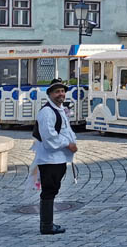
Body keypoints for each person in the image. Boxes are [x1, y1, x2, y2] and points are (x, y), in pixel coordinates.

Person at [31, 78, 77, 235]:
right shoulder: (47, 112)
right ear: (50, 94)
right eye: (57, 92)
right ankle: (46, 225)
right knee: (49, 191)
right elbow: (49, 137)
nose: (61, 94)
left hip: (58, 159)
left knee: (52, 189)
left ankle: (48, 224)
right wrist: (68, 144)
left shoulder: (59, 109)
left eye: (63, 91)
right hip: (50, 159)